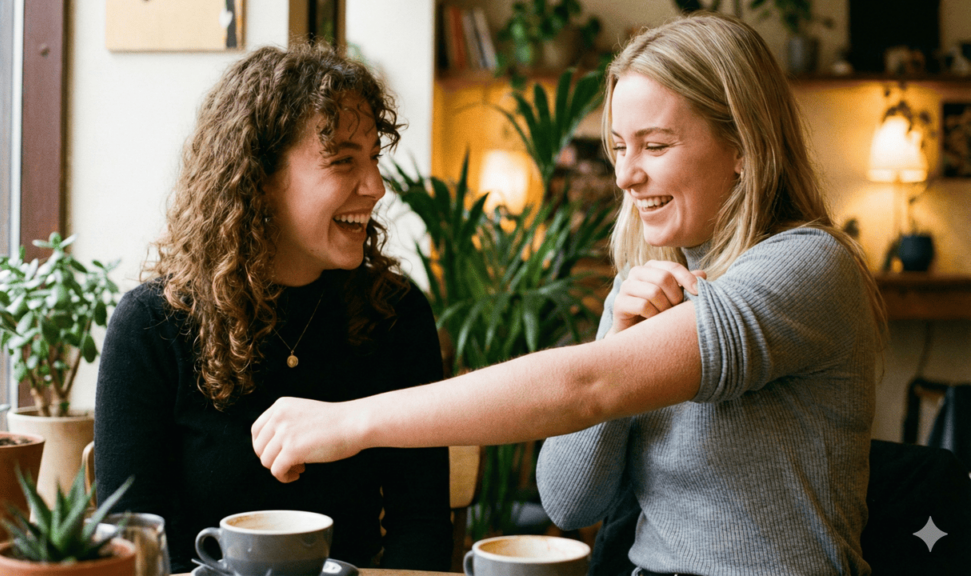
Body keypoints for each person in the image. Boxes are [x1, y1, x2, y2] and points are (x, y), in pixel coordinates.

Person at [250, 13, 887, 576]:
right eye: (617, 148)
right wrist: (618, 336)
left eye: (655, 146)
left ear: (745, 145)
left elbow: (586, 386)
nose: (625, 175)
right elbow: (569, 500)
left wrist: (348, 420)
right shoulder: (645, 287)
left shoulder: (809, 267)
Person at [94, 43, 453, 574]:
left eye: (374, 157)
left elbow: (420, 526)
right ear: (258, 177)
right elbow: (135, 546)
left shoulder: (396, 315)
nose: (376, 186)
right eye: (343, 161)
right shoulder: (152, 326)